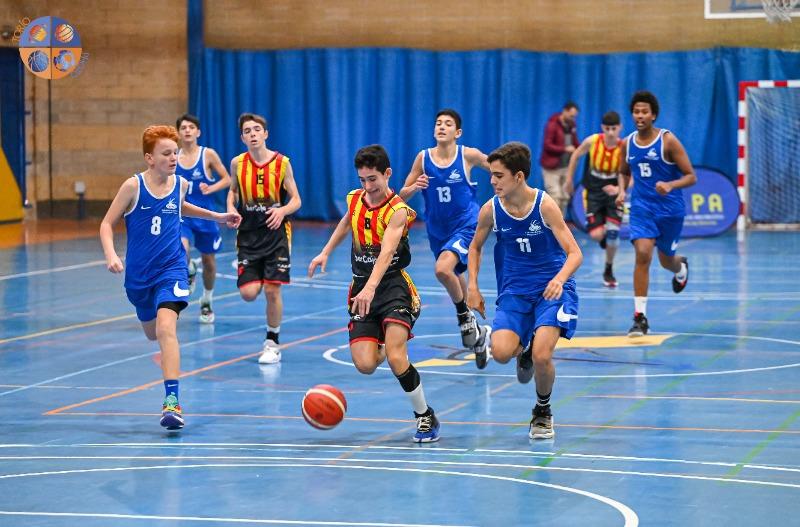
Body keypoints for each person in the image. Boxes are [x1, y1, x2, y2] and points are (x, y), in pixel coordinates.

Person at [99, 125, 240, 430]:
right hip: (139, 275)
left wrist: (217, 216)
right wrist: (111, 254)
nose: (174, 158)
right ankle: (169, 388)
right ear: (149, 158)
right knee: (152, 333)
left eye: (175, 152)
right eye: (166, 153)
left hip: (172, 268)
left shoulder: (180, 184)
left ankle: (172, 402)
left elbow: (181, 208)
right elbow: (107, 223)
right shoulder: (133, 186)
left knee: (166, 329)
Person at [309, 144, 440, 443]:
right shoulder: (355, 199)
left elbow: (387, 252)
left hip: (393, 288)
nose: (368, 186)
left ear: (387, 174)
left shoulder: (398, 211)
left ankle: (424, 415)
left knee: (396, 357)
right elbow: (347, 222)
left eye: (373, 179)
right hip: (361, 289)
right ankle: (385, 339)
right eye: (362, 180)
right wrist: (325, 251)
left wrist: (371, 287)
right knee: (366, 365)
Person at [467, 142, 582, 440]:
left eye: (499, 176)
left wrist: (559, 279)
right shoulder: (491, 210)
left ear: (518, 177)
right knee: (501, 353)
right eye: (491, 175)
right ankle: (524, 351)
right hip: (515, 290)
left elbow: (575, 253)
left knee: (543, 356)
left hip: (551, 290)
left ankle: (542, 411)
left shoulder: (544, 206)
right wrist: (472, 285)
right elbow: (475, 247)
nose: (492, 181)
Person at [399, 109, 492, 368]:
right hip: (437, 230)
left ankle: (464, 316)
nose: (441, 127)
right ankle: (479, 333)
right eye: (438, 123)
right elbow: (402, 195)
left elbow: (498, 168)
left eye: (447, 124)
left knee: (442, 269)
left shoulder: (468, 155)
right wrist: (414, 187)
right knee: (452, 273)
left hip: (466, 224)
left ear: (457, 132)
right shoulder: (423, 158)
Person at [616, 91, 696, 337]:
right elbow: (623, 172)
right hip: (642, 208)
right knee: (642, 255)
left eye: (644, 112)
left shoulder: (667, 141)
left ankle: (680, 267)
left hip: (670, 209)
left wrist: (670, 185)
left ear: (653, 115)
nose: (640, 116)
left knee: (666, 260)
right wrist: (621, 191)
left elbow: (691, 176)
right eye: (636, 111)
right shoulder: (627, 143)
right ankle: (640, 318)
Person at [226, 113, 302, 364]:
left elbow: (296, 200)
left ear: (265, 133)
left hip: (276, 234)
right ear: (242, 137)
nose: (253, 134)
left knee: (272, 289)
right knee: (249, 293)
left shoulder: (282, 163)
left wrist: (282, 211)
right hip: (248, 234)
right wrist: (231, 208)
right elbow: (233, 191)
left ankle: (272, 342)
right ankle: (256, 274)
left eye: (257, 129)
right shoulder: (237, 164)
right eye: (247, 131)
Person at [175, 113, 232, 323]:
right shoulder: (174, 157)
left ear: (198, 132)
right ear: (178, 133)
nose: (187, 130)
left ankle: (207, 299)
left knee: (208, 261)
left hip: (206, 215)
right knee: (181, 250)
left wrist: (211, 188)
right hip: (183, 215)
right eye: (183, 128)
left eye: (191, 127)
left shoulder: (208, 154)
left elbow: (227, 179)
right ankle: (189, 268)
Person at [564, 110, 624, 287]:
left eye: (614, 129)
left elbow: (631, 174)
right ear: (602, 128)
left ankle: (608, 269)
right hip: (593, 193)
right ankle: (605, 239)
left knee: (613, 234)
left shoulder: (624, 147)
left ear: (620, 128)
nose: (611, 133)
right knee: (596, 235)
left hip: (613, 194)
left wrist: (619, 189)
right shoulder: (592, 141)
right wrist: (569, 179)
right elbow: (575, 155)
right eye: (607, 128)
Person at [540, 101, 580, 215]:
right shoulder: (552, 125)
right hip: (551, 169)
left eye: (575, 116)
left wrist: (583, 148)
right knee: (555, 196)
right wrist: (565, 149)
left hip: (566, 167)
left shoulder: (572, 125)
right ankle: (552, 222)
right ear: (564, 111)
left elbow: (575, 142)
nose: (573, 118)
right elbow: (547, 145)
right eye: (571, 116)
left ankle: (559, 222)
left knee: (565, 197)